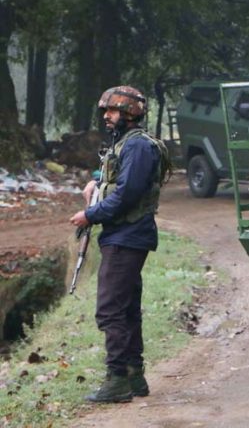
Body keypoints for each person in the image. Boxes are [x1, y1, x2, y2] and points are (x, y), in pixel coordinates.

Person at [69, 86, 170, 402]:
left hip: (128, 236)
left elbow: (127, 195)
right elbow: (115, 177)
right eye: (106, 112)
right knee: (126, 309)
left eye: (111, 111)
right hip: (123, 236)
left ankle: (117, 379)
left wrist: (90, 214)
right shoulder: (126, 144)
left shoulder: (138, 146)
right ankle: (134, 377)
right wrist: (95, 182)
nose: (106, 117)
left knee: (110, 309)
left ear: (128, 113)